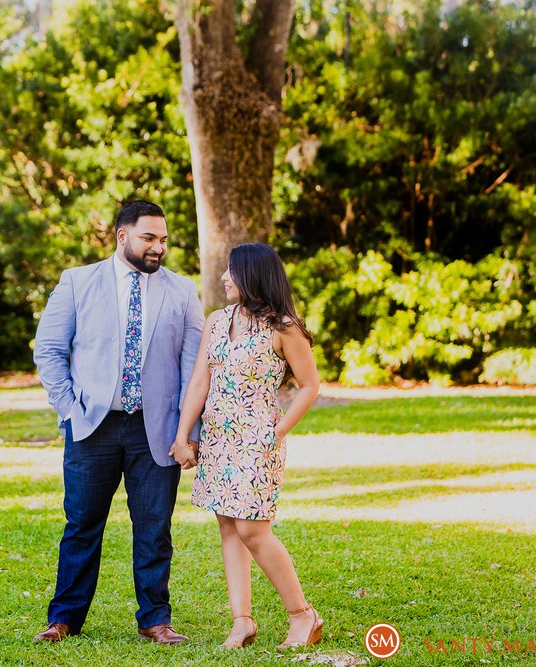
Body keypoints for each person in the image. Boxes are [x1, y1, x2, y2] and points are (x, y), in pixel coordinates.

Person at [32, 200, 205, 644]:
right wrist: (69, 410)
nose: (158, 247)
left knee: (154, 528)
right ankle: (64, 618)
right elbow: (49, 350)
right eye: (149, 238)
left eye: (164, 239)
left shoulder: (183, 291)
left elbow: (195, 369)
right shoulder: (77, 282)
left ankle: (155, 619)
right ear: (122, 235)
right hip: (92, 426)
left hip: (157, 429)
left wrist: (189, 432)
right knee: (82, 524)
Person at [169, 242, 322, 650]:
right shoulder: (218, 321)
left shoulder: (284, 327)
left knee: (253, 529)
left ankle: (302, 615)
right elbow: (200, 381)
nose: (223, 278)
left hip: (258, 441)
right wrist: (184, 436)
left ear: (252, 276)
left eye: (230, 272)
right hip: (219, 438)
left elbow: (310, 386)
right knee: (228, 526)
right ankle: (242, 622)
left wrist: (277, 432)